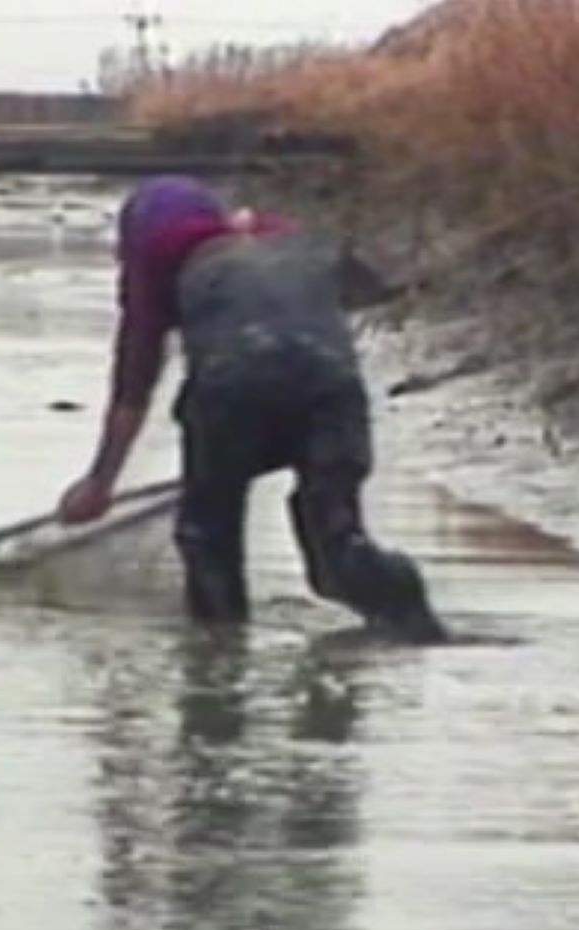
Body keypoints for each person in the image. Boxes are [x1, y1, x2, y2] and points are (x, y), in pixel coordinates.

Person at [55, 175, 446, 643]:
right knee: (335, 553)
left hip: (232, 393)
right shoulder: (293, 244)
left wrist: (101, 483)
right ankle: (403, 605)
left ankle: (220, 661)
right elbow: (376, 286)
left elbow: (132, 390)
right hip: (332, 392)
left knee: (208, 538)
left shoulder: (160, 267)